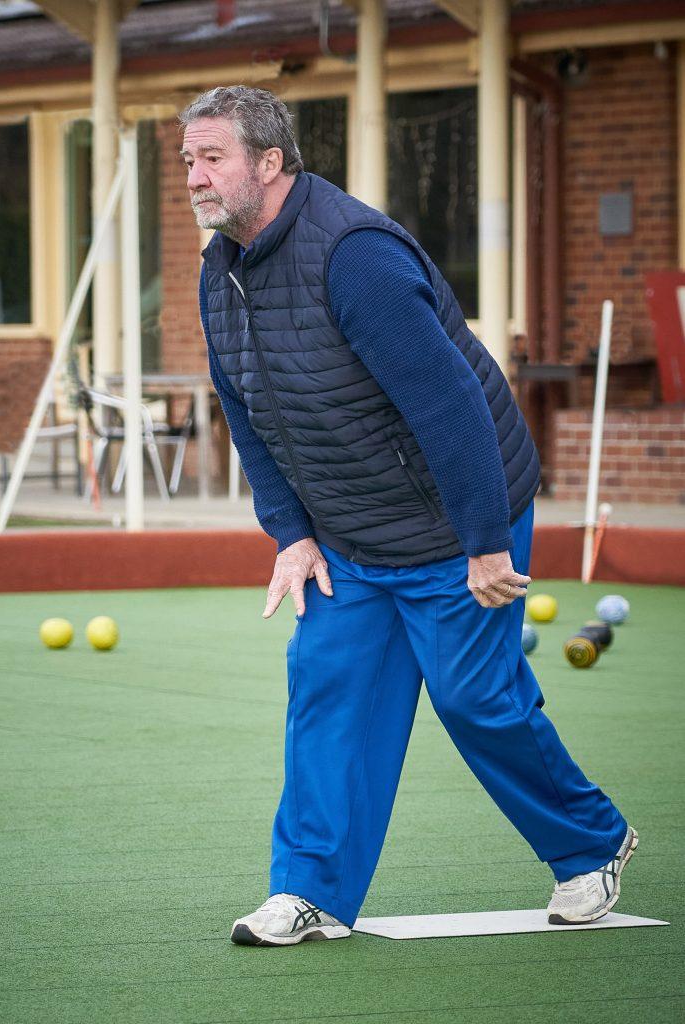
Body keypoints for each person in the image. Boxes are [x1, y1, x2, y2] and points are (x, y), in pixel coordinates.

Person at [179, 85, 636, 947]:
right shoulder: (221, 268)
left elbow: (449, 404)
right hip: (349, 533)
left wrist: (484, 542)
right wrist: (292, 533)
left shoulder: (355, 256)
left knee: (477, 700)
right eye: (189, 161)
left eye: (212, 158)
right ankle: (309, 890)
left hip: (452, 521)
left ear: (269, 162)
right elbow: (245, 408)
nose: (195, 176)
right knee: (330, 694)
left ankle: (590, 842)